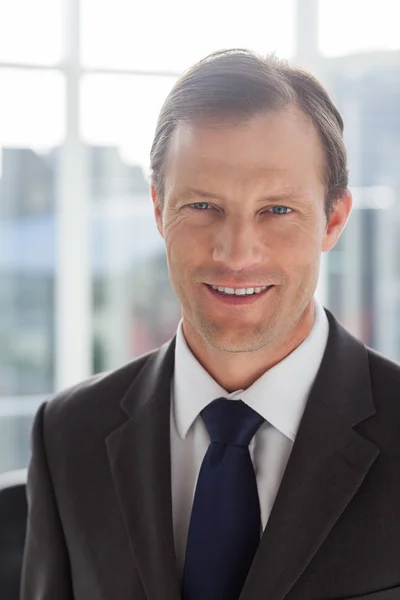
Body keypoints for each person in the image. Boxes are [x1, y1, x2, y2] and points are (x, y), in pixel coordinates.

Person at [21, 49, 400, 600]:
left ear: (333, 219)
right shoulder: (67, 436)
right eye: (202, 206)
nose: (236, 252)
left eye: (277, 210)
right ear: (158, 209)